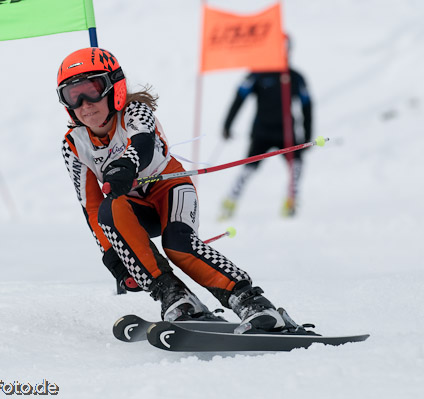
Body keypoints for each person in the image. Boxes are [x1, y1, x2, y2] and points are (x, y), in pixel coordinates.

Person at [58, 47, 304, 333]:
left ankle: (252, 303)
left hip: (170, 188)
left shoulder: (136, 112)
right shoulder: (74, 144)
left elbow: (143, 146)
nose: (85, 104)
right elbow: (90, 205)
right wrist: (112, 255)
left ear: (115, 87)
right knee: (107, 210)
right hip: (134, 209)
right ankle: (175, 297)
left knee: (178, 245)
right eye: (73, 96)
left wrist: (126, 165)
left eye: (92, 90)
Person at [220, 40, 312, 218]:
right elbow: (239, 98)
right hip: (262, 132)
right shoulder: (258, 74)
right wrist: (227, 125)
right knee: (248, 169)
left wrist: (307, 135)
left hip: (287, 133)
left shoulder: (295, 77)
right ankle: (230, 202)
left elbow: (307, 106)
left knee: (297, 166)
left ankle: (291, 203)